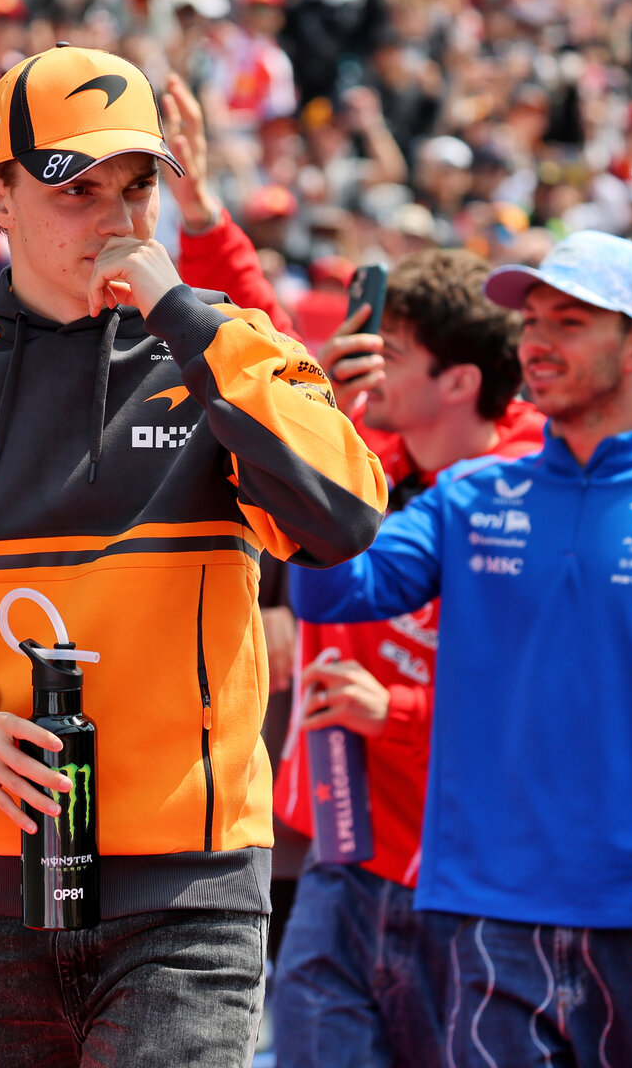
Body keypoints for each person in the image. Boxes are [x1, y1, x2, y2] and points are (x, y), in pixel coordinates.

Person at [0, 44, 388, 1068]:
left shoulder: (229, 352)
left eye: (137, 186)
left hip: (187, 906)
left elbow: (340, 516)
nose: (115, 217)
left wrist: (182, 313)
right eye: (76, 189)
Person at [290, 230, 632, 1067]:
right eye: (531, 321)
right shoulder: (470, 493)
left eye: (568, 322)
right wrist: (320, 443)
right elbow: (335, 588)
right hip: (494, 923)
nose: (535, 341)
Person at [268, 248, 542, 1068]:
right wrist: (207, 221)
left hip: (473, 880)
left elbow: (550, 709)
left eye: (392, 349)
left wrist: (399, 712)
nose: (371, 362)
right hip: (344, 859)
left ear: (458, 382)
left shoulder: (528, 499)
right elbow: (258, 361)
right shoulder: (377, 461)